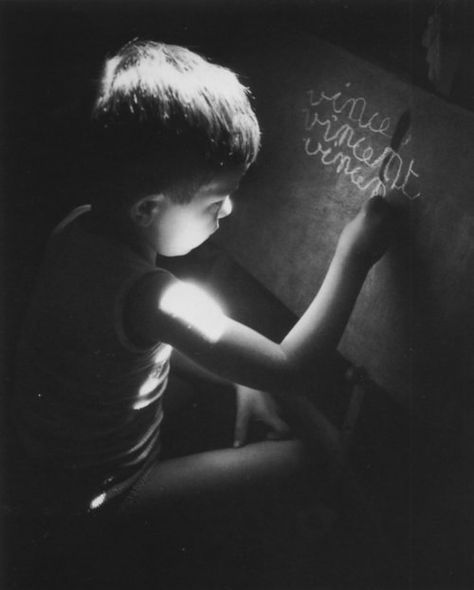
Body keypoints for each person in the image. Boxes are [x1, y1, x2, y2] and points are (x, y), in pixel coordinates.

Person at [12, 39, 394, 587]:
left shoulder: (77, 225)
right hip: (101, 495)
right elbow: (289, 366)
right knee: (305, 460)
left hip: (44, 463)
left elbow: (126, 345)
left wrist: (240, 379)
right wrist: (353, 255)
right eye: (215, 202)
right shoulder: (156, 297)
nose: (230, 210)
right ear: (148, 209)